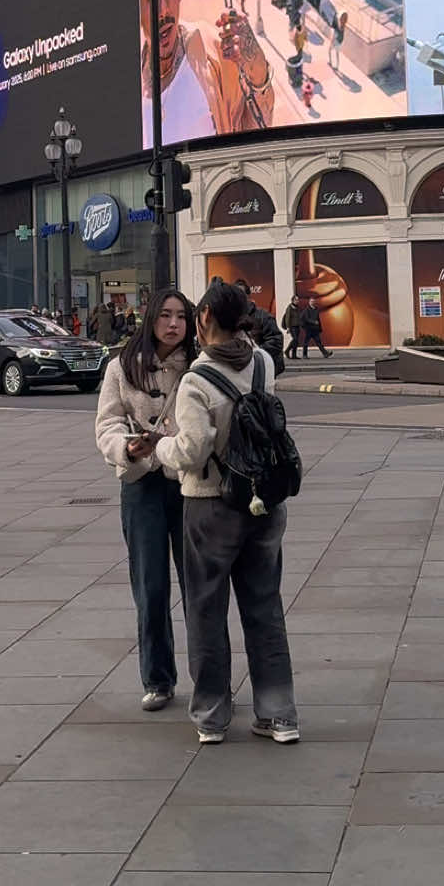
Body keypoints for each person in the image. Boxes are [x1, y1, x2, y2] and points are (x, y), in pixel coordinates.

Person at [152, 279, 298, 745]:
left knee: (206, 609)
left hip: (212, 506)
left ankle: (212, 717)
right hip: (265, 503)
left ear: (205, 320)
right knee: (264, 605)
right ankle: (278, 715)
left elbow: (192, 452)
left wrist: (161, 447)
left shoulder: (196, 381)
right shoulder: (262, 364)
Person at [95, 287, 197, 711]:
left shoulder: (199, 366)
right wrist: (125, 446)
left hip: (190, 482)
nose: (173, 324)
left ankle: (210, 677)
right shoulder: (122, 366)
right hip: (141, 483)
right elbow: (107, 422)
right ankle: (158, 678)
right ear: (150, 318)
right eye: (165, 316)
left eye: (181, 317)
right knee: (150, 585)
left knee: (199, 586)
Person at [139, 0, 274, 144]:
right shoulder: (126, 87)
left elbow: (253, 136)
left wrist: (259, 73)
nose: (163, 9)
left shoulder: (209, 49)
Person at [235, 280, 285, 377]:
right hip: (241, 372)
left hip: (262, 370)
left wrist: (255, 353)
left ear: (248, 296)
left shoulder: (263, 316)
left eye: (241, 295)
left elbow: (276, 340)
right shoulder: (231, 318)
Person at [282, 295, 303, 360]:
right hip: (292, 327)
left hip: (297, 326)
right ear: (293, 300)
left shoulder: (297, 308)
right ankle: (287, 351)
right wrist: (288, 327)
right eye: (296, 300)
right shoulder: (289, 308)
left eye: (298, 300)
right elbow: (287, 318)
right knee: (295, 339)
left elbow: (299, 316)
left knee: (296, 341)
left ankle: (294, 355)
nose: (298, 301)